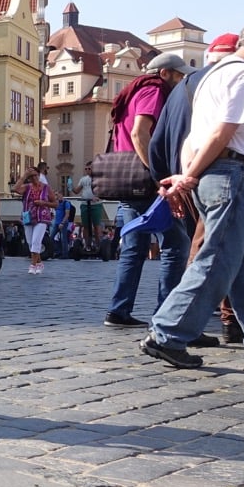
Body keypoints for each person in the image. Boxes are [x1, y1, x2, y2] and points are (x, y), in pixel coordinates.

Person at [144, 14, 244, 372]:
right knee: (218, 259)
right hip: (234, 175)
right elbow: (224, 131)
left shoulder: (213, 76)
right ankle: (167, 333)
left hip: (231, 176)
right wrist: (189, 176)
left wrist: (189, 174)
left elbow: (200, 134)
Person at [104, 52, 190, 327]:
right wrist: (158, 174)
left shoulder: (130, 92)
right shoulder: (153, 90)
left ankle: (118, 311)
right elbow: (140, 133)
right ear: (164, 73)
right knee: (177, 245)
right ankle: (167, 314)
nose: (181, 80)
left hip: (126, 180)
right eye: (179, 75)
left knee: (134, 248)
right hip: (146, 181)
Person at [14, 165, 56, 274]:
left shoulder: (46, 188)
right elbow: (15, 189)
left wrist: (44, 203)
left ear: (39, 175)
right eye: (31, 176)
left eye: (35, 175)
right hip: (29, 217)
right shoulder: (27, 187)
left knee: (36, 240)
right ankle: (39, 262)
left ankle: (32, 265)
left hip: (42, 217)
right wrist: (24, 176)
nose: (34, 178)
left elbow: (55, 203)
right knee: (30, 243)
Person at [73, 161, 104, 251]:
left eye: (89, 168)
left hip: (96, 205)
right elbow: (76, 191)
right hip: (85, 204)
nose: (87, 170)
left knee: (97, 226)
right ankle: (87, 245)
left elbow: (103, 191)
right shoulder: (83, 179)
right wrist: (70, 187)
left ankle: (99, 245)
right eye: (86, 169)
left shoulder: (99, 179)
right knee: (85, 226)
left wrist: (97, 197)